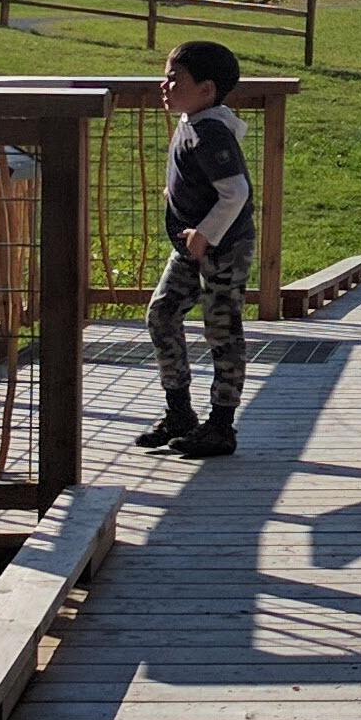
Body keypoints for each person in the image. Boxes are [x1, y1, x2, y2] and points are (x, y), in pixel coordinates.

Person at [134, 40, 255, 459]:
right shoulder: (193, 119)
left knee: (221, 329)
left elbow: (236, 191)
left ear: (206, 90)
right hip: (191, 247)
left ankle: (221, 426)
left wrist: (205, 233)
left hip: (223, 248)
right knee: (162, 313)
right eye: (166, 75)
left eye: (175, 78)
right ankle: (180, 414)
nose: (164, 84)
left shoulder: (209, 131)